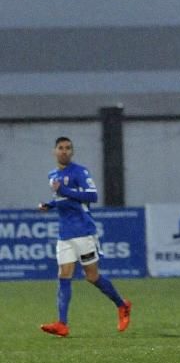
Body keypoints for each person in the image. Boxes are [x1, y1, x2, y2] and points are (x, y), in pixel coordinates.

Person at [39, 137, 131, 337]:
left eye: (68, 148)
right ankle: (62, 324)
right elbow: (62, 199)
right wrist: (50, 204)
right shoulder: (52, 175)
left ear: (72, 152)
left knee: (92, 276)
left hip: (83, 231)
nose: (64, 151)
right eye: (60, 148)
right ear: (54, 151)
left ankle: (122, 305)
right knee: (64, 275)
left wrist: (64, 190)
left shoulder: (79, 172)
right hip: (64, 234)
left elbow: (92, 196)